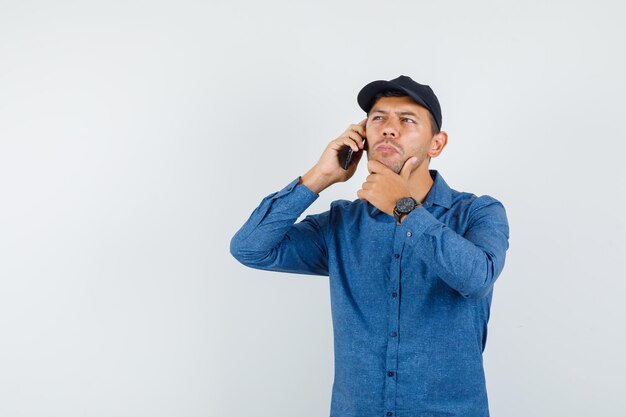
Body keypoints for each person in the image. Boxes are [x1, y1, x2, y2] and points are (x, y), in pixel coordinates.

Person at [230, 75, 510, 417]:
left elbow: (476, 279)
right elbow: (250, 248)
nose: (389, 129)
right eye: (378, 118)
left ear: (436, 144)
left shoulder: (478, 212)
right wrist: (320, 175)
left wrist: (404, 208)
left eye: (407, 120)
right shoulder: (340, 224)